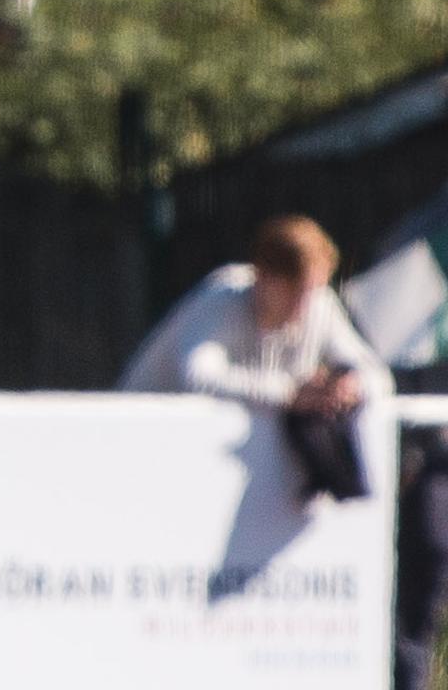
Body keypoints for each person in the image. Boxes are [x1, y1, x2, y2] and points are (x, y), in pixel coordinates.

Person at [121, 215, 388, 503]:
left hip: (209, 471)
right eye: (295, 292)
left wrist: (350, 385)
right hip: (140, 450)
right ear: (262, 277)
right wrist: (290, 393)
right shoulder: (221, 300)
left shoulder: (319, 304)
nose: (305, 306)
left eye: (313, 290)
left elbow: (376, 375)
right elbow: (198, 376)